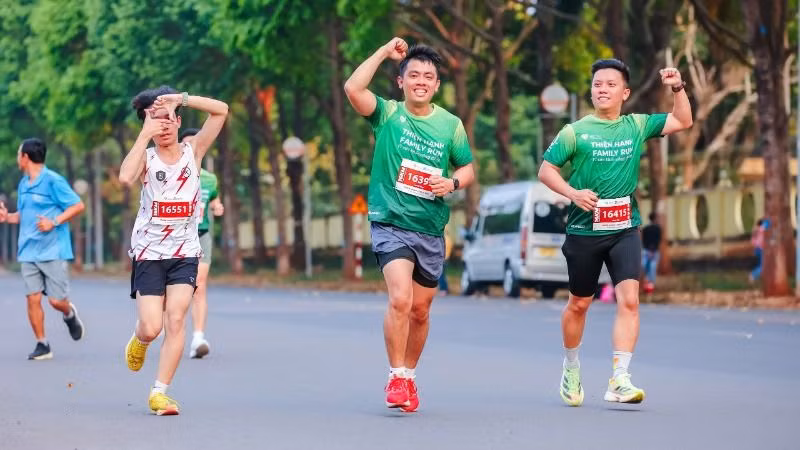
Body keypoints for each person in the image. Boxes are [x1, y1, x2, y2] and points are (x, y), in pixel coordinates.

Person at [538, 59, 692, 406]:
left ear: (625, 92)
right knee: (579, 304)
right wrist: (573, 193)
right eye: (597, 84)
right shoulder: (574, 132)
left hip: (624, 227)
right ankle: (572, 366)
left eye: (610, 84)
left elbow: (683, 120)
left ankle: (619, 378)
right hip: (584, 230)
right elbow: (546, 170)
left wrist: (678, 88)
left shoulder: (636, 126)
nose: (602, 89)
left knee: (630, 300)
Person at [344, 38, 475, 412]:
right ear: (401, 82)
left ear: (436, 85)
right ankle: (396, 375)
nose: (421, 80)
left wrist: (452, 183)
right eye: (413, 74)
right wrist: (384, 52)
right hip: (390, 222)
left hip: (431, 227)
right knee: (400, 299)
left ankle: (410, 376)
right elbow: (353, 88)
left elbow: (466, 167)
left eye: (428, 76)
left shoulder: (451, 125)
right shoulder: (387, 113)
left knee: (420, 311)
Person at [119, 86, 228, 415]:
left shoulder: (193, 151)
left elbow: (221, 110)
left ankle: (159, 392)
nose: (163, 124)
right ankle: (139, 339)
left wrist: (180, 98)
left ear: (178, 121)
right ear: (146, 125)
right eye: (155, 119)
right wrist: (142, 137)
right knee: (152, 327)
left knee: (176, 319)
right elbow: (125, 178)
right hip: (150, 254)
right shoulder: (146, 158)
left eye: (168, 118)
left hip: (185, 253)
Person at [0, 138, 85, 360]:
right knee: (32, 298)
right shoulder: (23, 184)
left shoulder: (53, 181)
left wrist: (53, 222)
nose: (17, 158)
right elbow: (23, 215)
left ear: (25, 157)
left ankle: (69, 313)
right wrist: (7, 217)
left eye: (19, 154)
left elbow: (78, 205)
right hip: (28, 252)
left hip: (53, 251)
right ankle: (42, 344)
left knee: (55, 301)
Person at [178, 128, 224, 358]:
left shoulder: (209, 178)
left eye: (196, 144)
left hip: (201, 234)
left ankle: (198, 338)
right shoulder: (171, 176)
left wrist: (217, 206)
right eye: (186, 145)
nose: (191, 149)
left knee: (200, 284)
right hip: (175, 237)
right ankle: (170, 332)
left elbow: (214, 198)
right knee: (174, 291)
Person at [641, 212, 662, 293]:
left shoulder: (645, 228)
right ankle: (650, 285)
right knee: (652, 268)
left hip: (646, 250)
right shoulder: (658, 229)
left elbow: (644, 241)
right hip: (653, 251)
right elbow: (658, 241)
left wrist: (648, 249)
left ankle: (646, 285)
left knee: (645, 267)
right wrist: (652, 250)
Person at [749, 218, 767, 283]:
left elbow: (752, 242)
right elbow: (768, 225)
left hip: (756, 249)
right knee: (763, 265)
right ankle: (753, 274)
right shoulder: (762, 230)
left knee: (760, 264)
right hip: (761, 249)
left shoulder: (755, 231)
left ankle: (759, 277)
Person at [437, 224, 453, 295]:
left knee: (441, 276)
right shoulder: (449, 239)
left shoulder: (443, 239)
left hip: (442, 259)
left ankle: (443, 289)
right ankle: (446, 288)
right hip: (446, 258)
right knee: (443, 275)